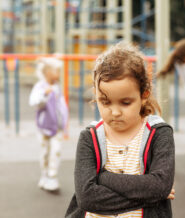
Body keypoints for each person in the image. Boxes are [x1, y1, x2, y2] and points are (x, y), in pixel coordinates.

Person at [66, 43, 175, 218]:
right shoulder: (90, 137)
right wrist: (151, 196)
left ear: (144, 95)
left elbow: (159, 186)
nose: (115, 112)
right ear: (96, 95)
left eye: (125, 102)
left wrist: (102, 177)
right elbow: (87, 199)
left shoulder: (159, 134)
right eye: (105, 102)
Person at [29, 57, 68, 191]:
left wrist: (64, 121)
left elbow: (61, 106)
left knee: (56, 150)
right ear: (47, 72)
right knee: (45, 152)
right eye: (56, 70)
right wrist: (44, 95)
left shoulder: (57, 87)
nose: (58, 73)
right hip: (44, 127)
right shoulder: (40, 87)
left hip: (57, 126)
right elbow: (34, 102)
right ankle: (45, 175)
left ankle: (52, 177)